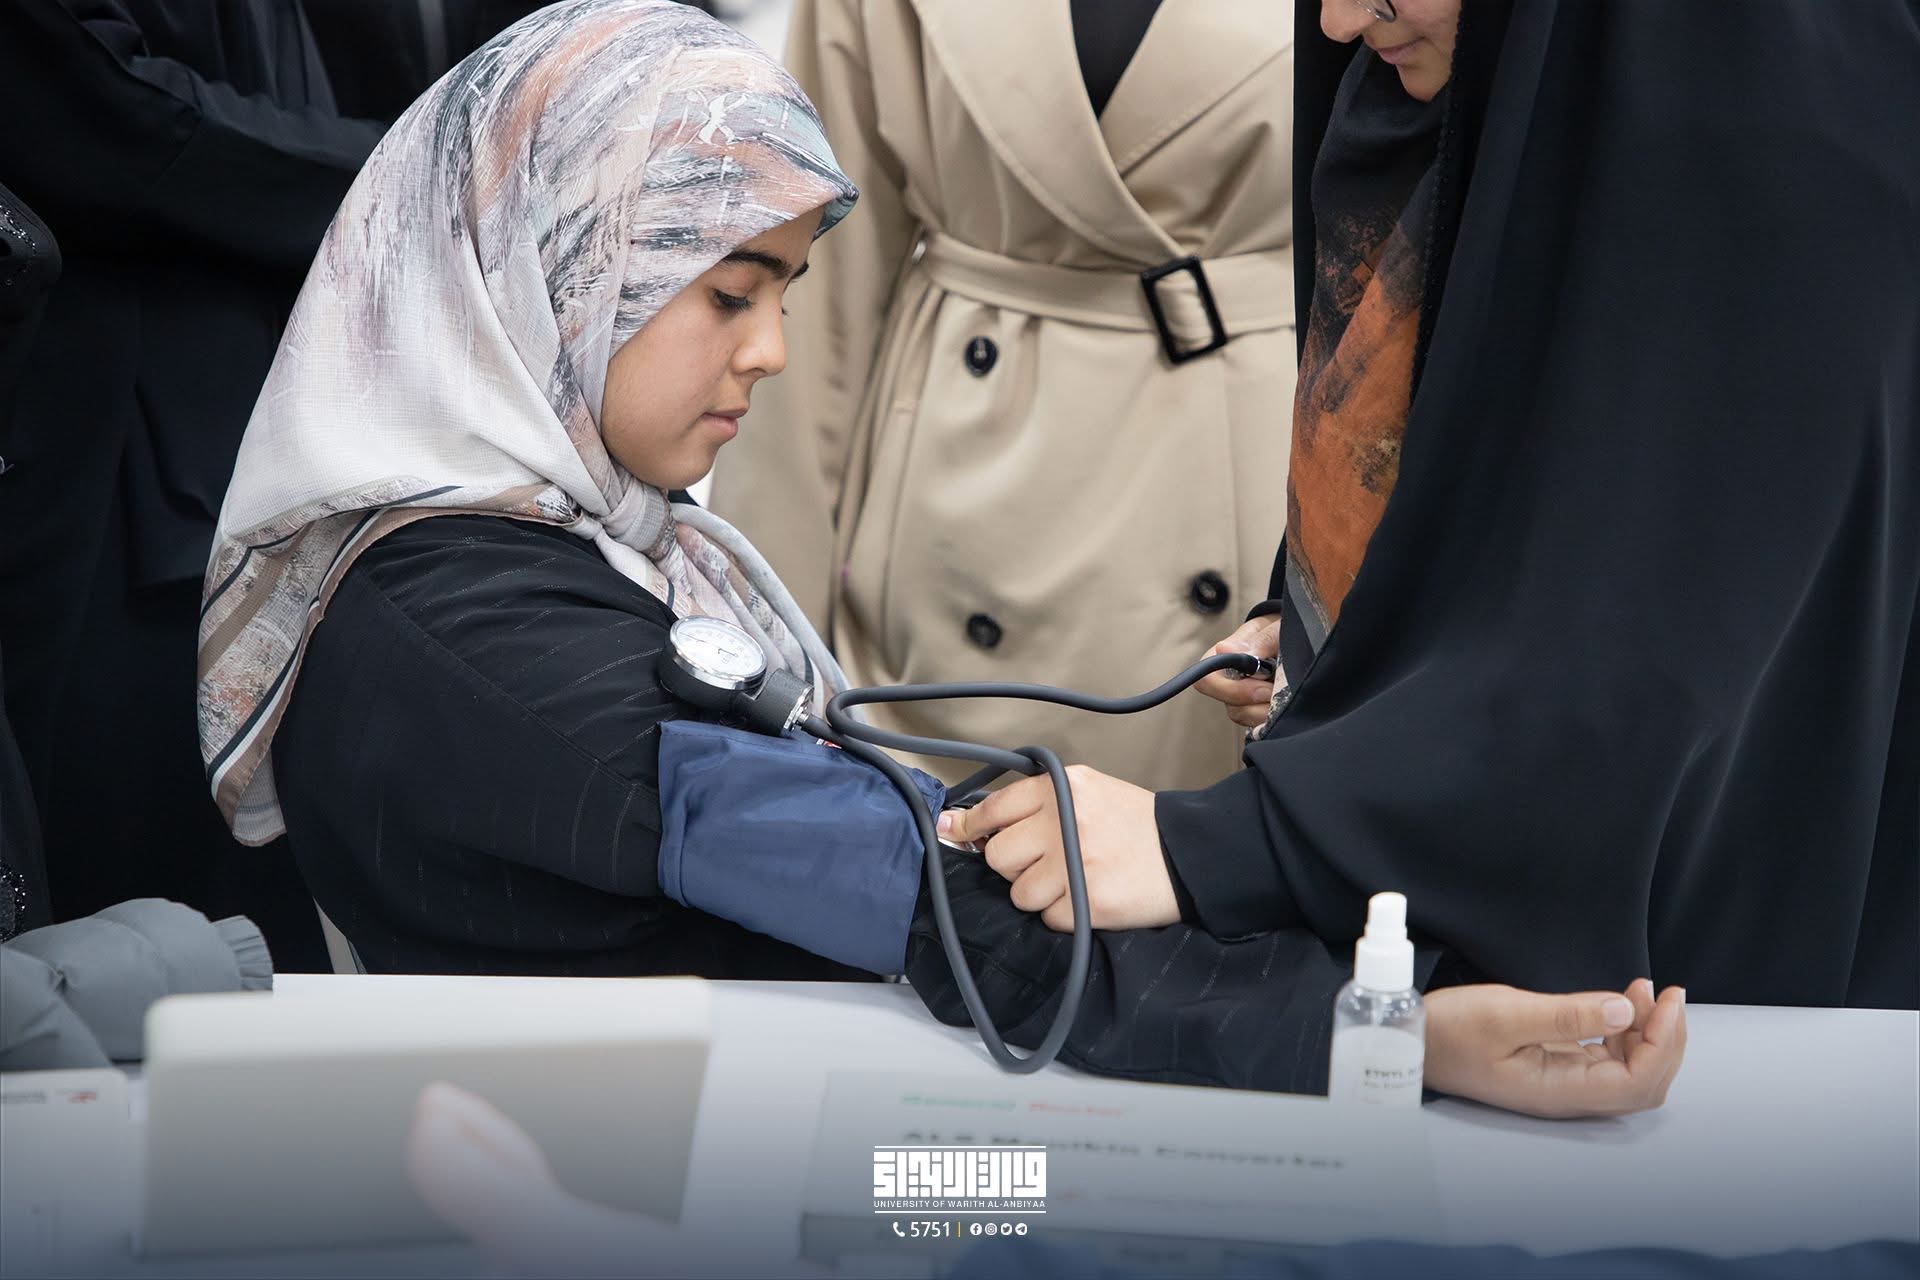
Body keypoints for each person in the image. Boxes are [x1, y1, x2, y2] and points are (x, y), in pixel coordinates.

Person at [922, 0, 1918, 1059]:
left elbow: (1639, 660)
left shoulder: (1777, 133)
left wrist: (1222, 847)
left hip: (1678, 1010)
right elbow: (1513, 459)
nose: (1340, 20)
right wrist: (1337, 623)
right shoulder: (1494, 80)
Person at [197, 0, 872, 978]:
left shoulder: (598, 531)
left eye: (784, 295)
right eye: (730, 293)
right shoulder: (467, 617)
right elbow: (857, 870)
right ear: (561, 260)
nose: (770, 350)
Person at [709, 0, 1300, 792]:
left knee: (1201, 832)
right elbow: (822, 286)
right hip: (960, 535)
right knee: (929, 838)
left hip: (1251, 479)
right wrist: (767, 646)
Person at [0, 0, 389, 971]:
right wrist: (414, 165)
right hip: (134, 486)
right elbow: (88, 108)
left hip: (315, 469)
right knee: (135, 942)